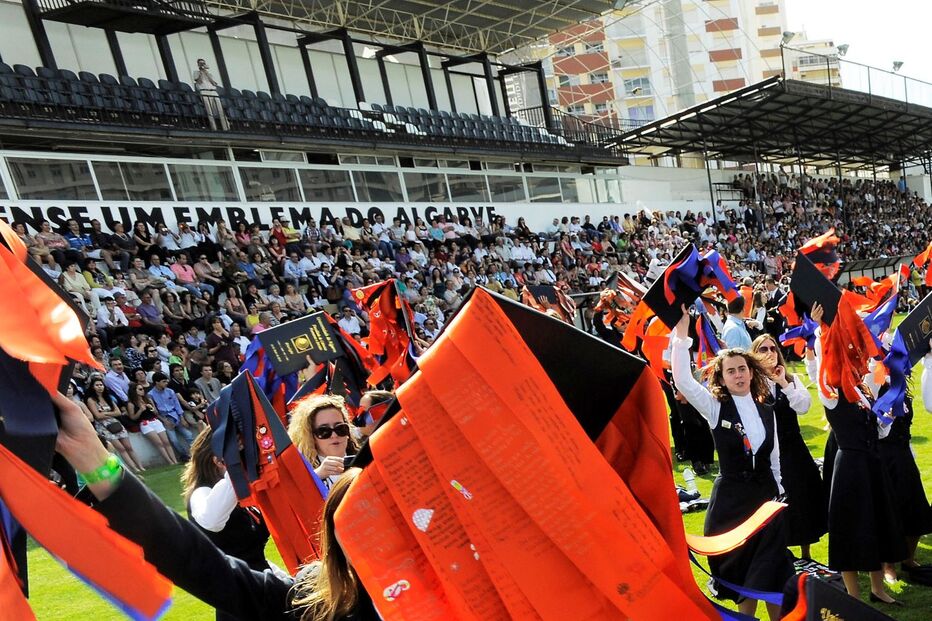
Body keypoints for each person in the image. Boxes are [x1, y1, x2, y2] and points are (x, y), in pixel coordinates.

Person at [51, 391, 378, 621]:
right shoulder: (324, 599)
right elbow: (195, 553)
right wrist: (97, 464)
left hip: (265, 582)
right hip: (244, 602)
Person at [670, 306, 791, 620]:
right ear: (722, 378)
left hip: (766, 500)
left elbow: (773, 455)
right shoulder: (714, 407)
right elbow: (683, 380)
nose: (739, 375)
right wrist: (682, 333)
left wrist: (779, 491)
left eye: (742, 369)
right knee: (741, 575)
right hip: (732, 504)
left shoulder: (767, 406)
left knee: (774, 570)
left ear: (752, 371)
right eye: (732, 371)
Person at [805, 301, 904, 605]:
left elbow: (879, 426)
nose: (853, 356)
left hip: (872, 465)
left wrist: (887, 414)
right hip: (849, 470)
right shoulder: (831, 393)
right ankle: (854, 597)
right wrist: (822, 330)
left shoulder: (864, 388)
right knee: (850, 530)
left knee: (876, 525)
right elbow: (824, 362)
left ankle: (877, 589)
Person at [182, 428, 272, 620]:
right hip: (238, 597)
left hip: (263, 587)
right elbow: (211, 520)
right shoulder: (201, 494)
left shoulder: (241, 493)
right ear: (218, 461)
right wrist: (235, 469)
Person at [750, 334, 825, 560]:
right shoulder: (752, 384)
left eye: (773, 349)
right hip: (767, 451)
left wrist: (784, 383)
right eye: (763, 349)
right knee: (773, 501)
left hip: (793, 449)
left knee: (801, 498)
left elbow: (803, 406)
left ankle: (806, 552)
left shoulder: (791, 379)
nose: (770, 353)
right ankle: (779, 551)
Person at [288, 394, 357, 489]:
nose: (334, 435)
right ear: (311, 437)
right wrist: (316, 477)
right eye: (324, 431)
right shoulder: (301, 471)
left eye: (340, 428)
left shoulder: (365, 459)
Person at [85, 375, 145, 474]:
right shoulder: (91, 400)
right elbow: (97, 416)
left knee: (128, 447)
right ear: (93, 387)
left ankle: (141, 467)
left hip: (115, 423)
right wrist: (109, 414)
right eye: (97, 385)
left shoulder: (108, 397)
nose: (100, 387)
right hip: (103, 426)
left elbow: (118, 412)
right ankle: (134, 469)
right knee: (121, 448)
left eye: (101, 385)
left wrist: (106, 413)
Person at [126, 381, 177, 465]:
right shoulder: (131, 404)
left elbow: (156, 412)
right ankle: (169, 461)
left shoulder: (148, 399)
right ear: (134, 391)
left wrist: (152, 408)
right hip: (145, 423)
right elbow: (133, 417)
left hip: (155, 420)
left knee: (166, 442)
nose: (142, 391)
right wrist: (140, 410)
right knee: (159, 443)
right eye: (140, 389)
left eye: (142, 389)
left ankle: (174, 460)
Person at [149, 371, 195, 461]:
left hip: (176, 415)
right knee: (173, 440)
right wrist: (164, 421)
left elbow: (177, 405)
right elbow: (154, 411)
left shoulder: (170, 391)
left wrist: (182, 418)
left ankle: (195, 452)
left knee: (189, 435)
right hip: (164, 417)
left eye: (166, 381)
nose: (166, 383)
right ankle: (185, 456)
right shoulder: (150, 395)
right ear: (157, 382)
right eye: (163, 381)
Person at [193, 58, 229, 131]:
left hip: (213, 91)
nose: (202, 64)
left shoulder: (209, 74)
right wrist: (201, 72)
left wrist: (206, 73)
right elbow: (198, 81)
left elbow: (214, 83)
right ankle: (214, 128)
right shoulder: (196, 72)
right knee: (209, 111)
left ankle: (226, 128)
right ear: (198, 64)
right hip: (204, 91)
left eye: (203, 63)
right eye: (200, 63)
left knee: (220, 109)